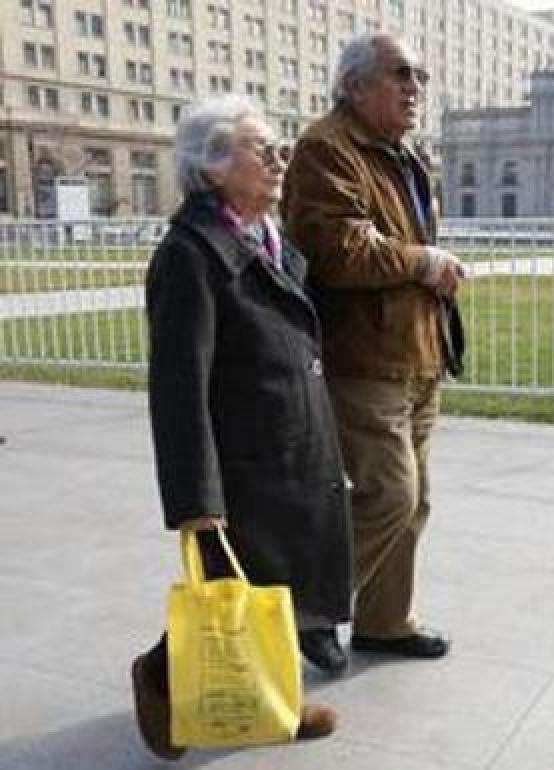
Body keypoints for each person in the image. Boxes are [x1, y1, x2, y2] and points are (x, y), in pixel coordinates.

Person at [130, 95, 352, 760]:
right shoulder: (190, 255)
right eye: (263, 149)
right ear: (213, 168)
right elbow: (177, 387)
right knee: (237, 586)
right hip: (242, 460)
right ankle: (162, 678)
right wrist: (196, 499)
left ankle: (273, 700)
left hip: (290, 444)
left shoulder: (264, 238)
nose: (281, 158)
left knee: (279, 584)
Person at [281, 33, 465, 662]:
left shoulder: (399, 152)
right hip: (363, 357)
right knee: (389, 493)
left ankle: (385, 623)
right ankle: (305, 605)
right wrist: (424, 260)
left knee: (415, 503)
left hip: (416, 354)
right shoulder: (325, 149)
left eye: (420, 76)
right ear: (355, 85)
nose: (415, 87)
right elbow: (339, 249)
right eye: (401, 74)